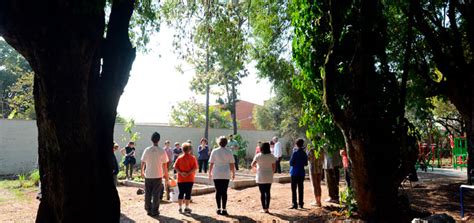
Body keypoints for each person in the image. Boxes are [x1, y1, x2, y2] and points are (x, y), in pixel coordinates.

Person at [141, 132, 169, 216]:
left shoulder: (147, 150)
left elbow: (143, 162)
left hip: (148, 175)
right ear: (159, 140)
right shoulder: (162, 150)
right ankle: (155, 210)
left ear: (151, 139)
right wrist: (166, 174)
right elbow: (165, 164)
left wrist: (142, 171)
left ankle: (148, 209)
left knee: (148, 193)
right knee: (156, 194)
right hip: (158, 175)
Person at [209, 136, 236, 216]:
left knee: (218, 191)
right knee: (224, 192)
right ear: (226, 143)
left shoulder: (215, 151)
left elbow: (211, 163)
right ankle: (224, 209)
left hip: (216, 173)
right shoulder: (229, 151)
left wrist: (209, 173)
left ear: (219, 142)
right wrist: (233, 173)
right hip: (226, 174)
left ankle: (218, 208)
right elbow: (232, 164)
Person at [251, 142, 276, 213]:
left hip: (260, 175)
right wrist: (272, 174)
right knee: (268, 192)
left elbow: (252, 164)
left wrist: (256, 170)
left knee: (262, 193)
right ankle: (267, 208)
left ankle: (264, 208)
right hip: (269, 176)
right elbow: (274, 168)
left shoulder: (258, 155)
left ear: (261, 148)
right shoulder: (271, 156)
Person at [174, 142, 198, 213]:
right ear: (189, 150)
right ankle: (187, 207)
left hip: (181, 179)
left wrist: (181, 172)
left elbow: (175, 166)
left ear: (182, 149)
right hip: (189, 178)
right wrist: (188, 173)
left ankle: (180, 207)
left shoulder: (179, 157)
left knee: (181, 193)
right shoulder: (192, 158)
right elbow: (195, 168)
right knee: (188, 193)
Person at [289, 138, 308, 209]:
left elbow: (291, 163)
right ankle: (301, 203)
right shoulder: (304, 153)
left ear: (296, 144)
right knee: (301, 188)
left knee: (294, 189)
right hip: (301, 172)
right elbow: (306, 163)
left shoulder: (295, 153)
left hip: (294, 172)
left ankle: (294, 204)